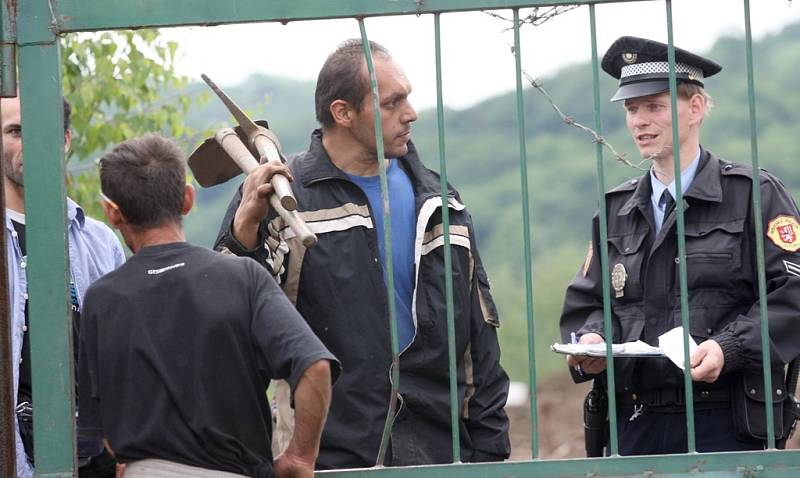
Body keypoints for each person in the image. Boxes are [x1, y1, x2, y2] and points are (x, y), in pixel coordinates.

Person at [214, 39, 510, 468]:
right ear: (343, 113)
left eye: (407, 97)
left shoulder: (441, 203)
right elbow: (226, 318)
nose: (411, 114)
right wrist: (246, 228)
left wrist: (490, 459)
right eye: (393, 103)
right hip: (325, 459)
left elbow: (479, 345)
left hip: (439, 455)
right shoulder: (283, 198)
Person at [560, 36, 800, 455]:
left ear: (695, 108)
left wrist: (729, 348)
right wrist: (592, 342)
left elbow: (792, 296)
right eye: (632, 109)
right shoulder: (614, 210)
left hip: (728, 421)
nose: (639, 121)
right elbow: (589, 303)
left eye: (654, 106)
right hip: (633, 425)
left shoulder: (753, 195)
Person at [77, 134, 339, 477]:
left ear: (112, 213)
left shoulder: (101, 299)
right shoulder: (243, 278)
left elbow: (94, 435)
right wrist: (300, 457)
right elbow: (315, 368)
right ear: (188, 198)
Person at [1, 95, 125, 477]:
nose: (30, 142)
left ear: (66, 140)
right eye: (16, 131)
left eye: (44, 131)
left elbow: (122, 353)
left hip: (90, 456)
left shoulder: (99, 241)